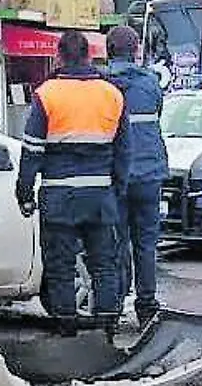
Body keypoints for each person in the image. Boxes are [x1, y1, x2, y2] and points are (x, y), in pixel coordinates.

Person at [16, 32, 130, 337]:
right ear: (89, 56)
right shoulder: (112, 94)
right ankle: (107, 330)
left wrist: (24, 193)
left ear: (59, 56)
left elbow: (32, 151)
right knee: (104, 265)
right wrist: (117, 191)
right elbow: (123, 152)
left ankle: (66, 332)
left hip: (59, 197)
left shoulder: (47, 94)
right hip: (100, 197)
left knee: (61, 268)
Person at [105, 26, 168, 327]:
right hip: (149, 174)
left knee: (116, 242)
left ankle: (115, 305)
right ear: (137, 50)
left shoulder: (104, 86)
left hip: (115, 177)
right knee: (146, 244)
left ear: (108, 51)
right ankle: (147, 306)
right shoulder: (151, 83)